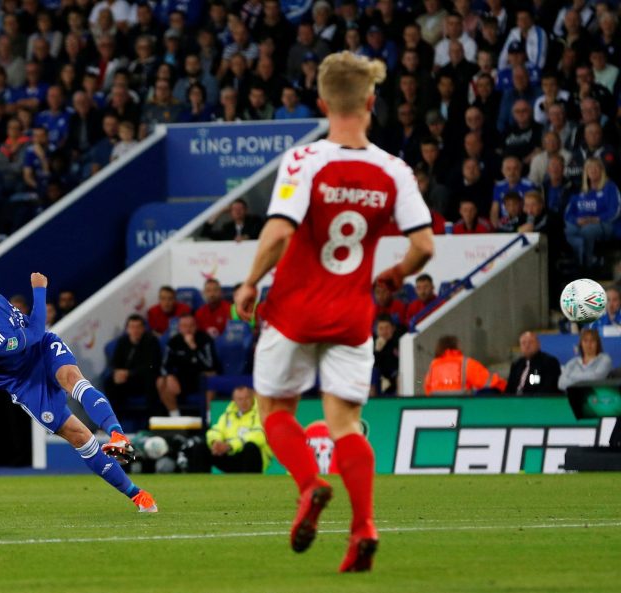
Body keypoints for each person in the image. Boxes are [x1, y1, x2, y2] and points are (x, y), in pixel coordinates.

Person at [234, 52, 435, 573]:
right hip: (352, 316)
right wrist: (393, 276)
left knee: (275, 410)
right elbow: (425, 247)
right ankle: (364, 526)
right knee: (345, 424)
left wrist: (250, 282)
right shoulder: (395, 170)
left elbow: (279, 231)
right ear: (372, 102)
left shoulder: (305, 161)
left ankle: (310, 485)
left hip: (295, 311)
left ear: (322, 104)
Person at [0, 274, 158, 513]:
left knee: (73, 379)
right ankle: (137, 495)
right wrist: (40, 290)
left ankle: (118, 436)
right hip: (24, 381)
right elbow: (34, 332)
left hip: (42, 350)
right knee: (79, 437)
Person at [157, 313, 221, 417]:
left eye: (191, 326)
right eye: (184, 326)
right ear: (179, 328)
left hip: (200, 377)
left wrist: (193, 348)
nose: (188, 329)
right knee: (161, 381)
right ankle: (175, 416)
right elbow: (164, 366)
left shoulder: (205, 339)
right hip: (182, 379)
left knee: (211, 376)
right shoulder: (173, 342)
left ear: (196, 326)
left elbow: (210, 365)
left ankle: (209, 417)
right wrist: (169, 376)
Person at [564, 157, 621, 270]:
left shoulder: (610, 187)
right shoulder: (581, 190)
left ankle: (587, 264)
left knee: (588, 230)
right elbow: (568, 213)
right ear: (586, 172)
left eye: (596, 168)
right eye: (590, 168)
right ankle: (578, 261)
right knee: (569, 229)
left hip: (607, 224)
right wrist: (576, 220)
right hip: (582, 223)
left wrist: (596, 219)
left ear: (602, 170)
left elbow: (616, 211)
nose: (593, 170)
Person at [199, 386, 270, 473]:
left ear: (252, 398)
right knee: (202, 447)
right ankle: (201, 483)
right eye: (240, 399)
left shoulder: (260, 412)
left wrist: (230, 445)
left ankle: (251, 483)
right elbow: (216, 430)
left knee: (251, 447)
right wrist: (215, 442)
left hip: (252, 459)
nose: (244, 402)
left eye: (246, 398)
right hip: (230, 455)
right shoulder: (228, 414)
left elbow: (260, 434)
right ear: (234, 400)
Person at [104, 314, 162, 416]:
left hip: (143, 378)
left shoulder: (151, 341)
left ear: (143, 328)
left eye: (138, 327)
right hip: (127, 380)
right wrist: (117, 372)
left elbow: (151, 365)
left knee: (151, 379)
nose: (135, 330)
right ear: (127, 329)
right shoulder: (122, 341)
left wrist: (129, 373)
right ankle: (114, 419)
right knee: (110, 381)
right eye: (132, 327)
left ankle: (151, 419)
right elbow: (115, 362)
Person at [423, 335, 507, 395]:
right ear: (455, 346)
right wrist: (506, 386)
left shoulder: (433, 365)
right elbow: (489, 381)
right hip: (462, 405)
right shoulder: (465, 363)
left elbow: (427, 389)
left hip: (439, 407)